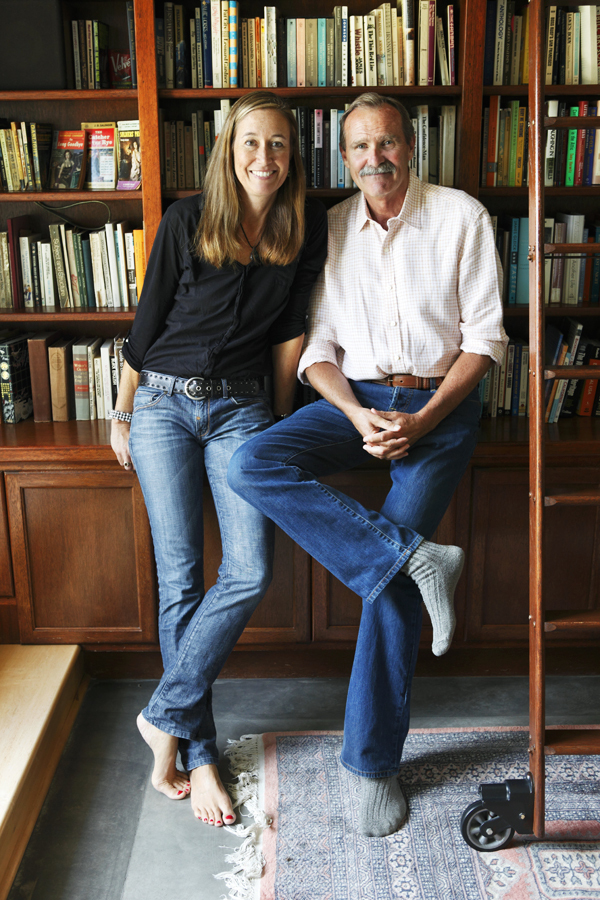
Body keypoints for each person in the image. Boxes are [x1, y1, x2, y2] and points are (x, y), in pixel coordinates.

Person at [229, 93, 508, 838]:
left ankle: (371, 764)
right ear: (343, 158)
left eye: (386, 145)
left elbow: (484, 342)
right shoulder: (328, 230)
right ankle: (419, 560)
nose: (374, 160)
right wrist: (356, 416)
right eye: (359, 148)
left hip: (438, 408)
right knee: (254, 463)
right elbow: (317, 347)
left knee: (384, 592)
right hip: (354, 405)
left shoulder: (462, 218)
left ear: (410, 149)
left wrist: (420, 419)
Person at [110, 92, 327, 828]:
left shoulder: (305, 231)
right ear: (228, 150)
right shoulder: (184, 220)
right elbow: (147, 325)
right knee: (180, 580)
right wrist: (120, 410)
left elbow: (291, 333)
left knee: (251, 568)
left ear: (292, 156)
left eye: (278, 146)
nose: (264, 159)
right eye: (251, 144)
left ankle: (161, 716)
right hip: (163, 404)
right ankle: (198, 755)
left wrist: (285, 427)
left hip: (242, 406)